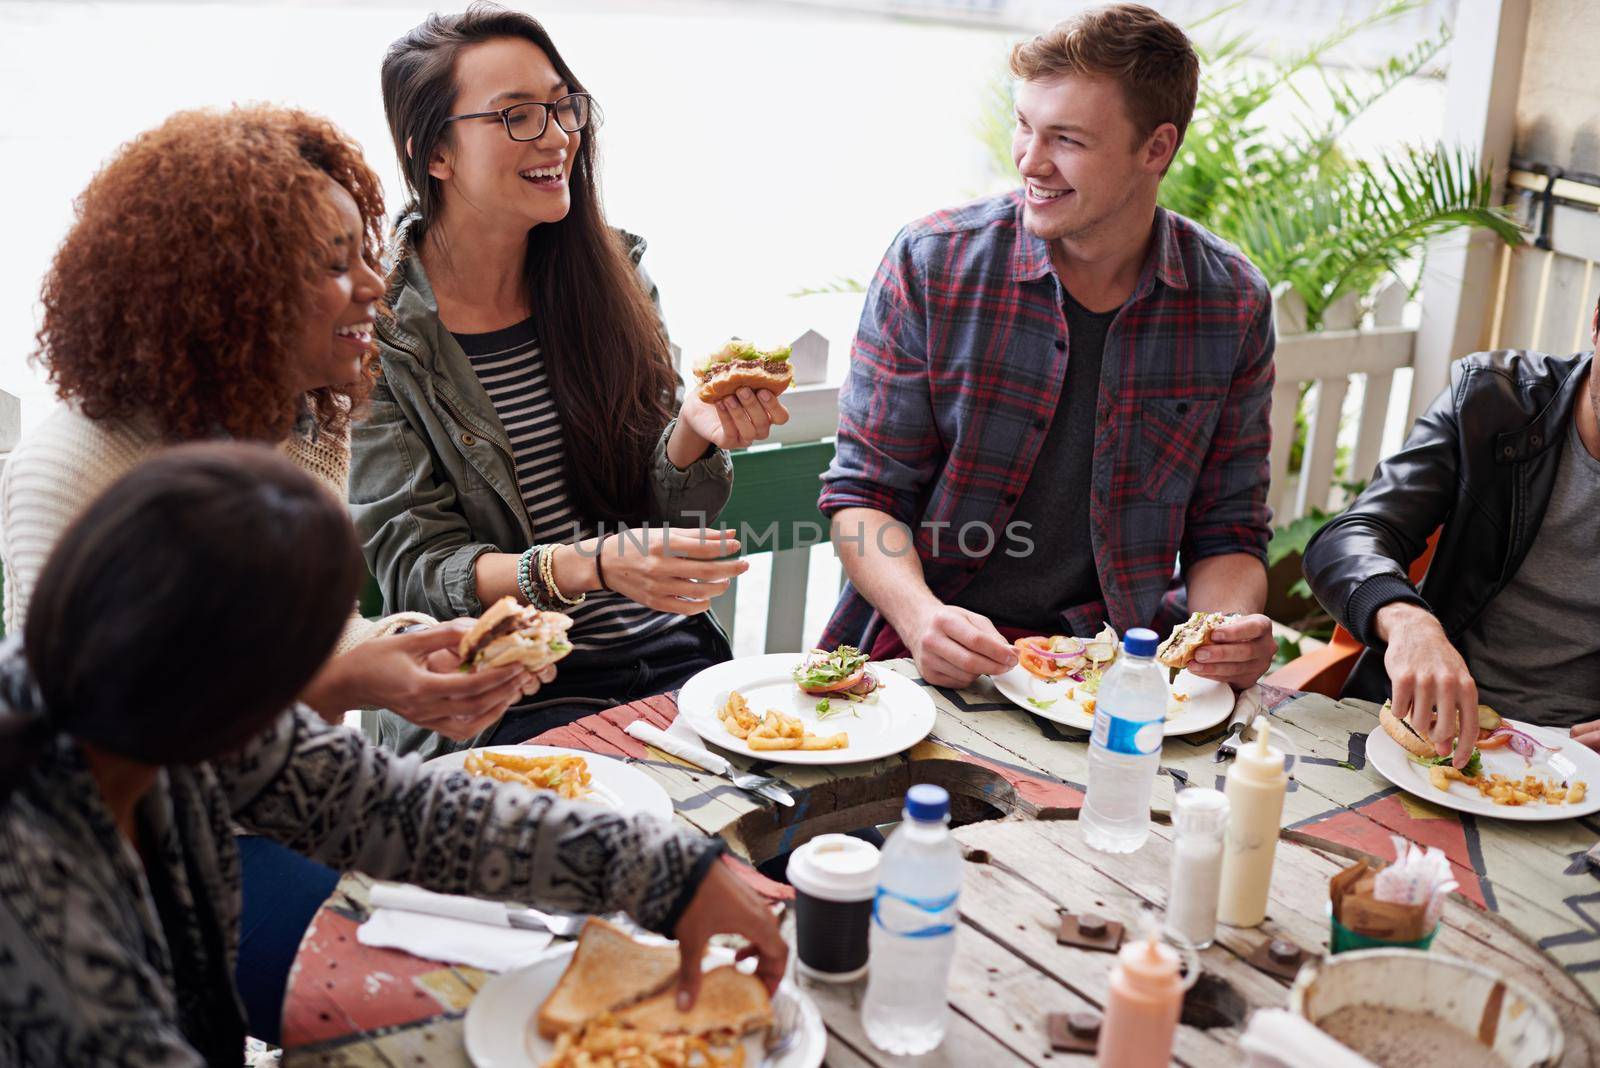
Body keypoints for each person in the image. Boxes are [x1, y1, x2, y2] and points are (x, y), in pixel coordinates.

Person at [0, 104, 547, 1042]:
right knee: (431, 1009)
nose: (377, 285)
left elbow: (297, 642)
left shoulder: (298, 419)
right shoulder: (80, 470)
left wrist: (407, 650)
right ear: (222, 293)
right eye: (334, 264)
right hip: (164, 867)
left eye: (366, 251)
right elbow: (99, 760)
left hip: (296, 806)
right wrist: (345, 679)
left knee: (523, 951)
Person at [0, 444, 785, 1067]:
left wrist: (668, 873)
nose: (307, 706)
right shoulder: (37, 869)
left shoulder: (154, 709)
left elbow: (395, 811)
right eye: (295, 672)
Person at [353, 3, 788, 758]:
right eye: (517, 116)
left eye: (561, 105)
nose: (557, 136)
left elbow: (661, 505)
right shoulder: (380, 332)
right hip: (507, 698)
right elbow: (421, 571)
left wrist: (690, 436)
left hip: (672, 667)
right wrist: (589, 566)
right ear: (434, 154)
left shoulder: (612, 273)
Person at [817, 4, 1278, 691]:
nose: (1030, 161)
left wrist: (1225, 633)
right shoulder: (933, 262)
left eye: (1066, 139)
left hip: (1116, 670)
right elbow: (865, 497)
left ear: (1156, 148)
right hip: (924, 655)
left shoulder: (1231, 300)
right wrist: (921, 617)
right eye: (1025, 126)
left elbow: (1228, 532)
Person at [1303, 302, 1600, 765]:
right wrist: (1408, 622)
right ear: (1598, 320)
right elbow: (1350, 537)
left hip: (1582, 768)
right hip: (1424, 730)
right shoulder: (1490, 399)